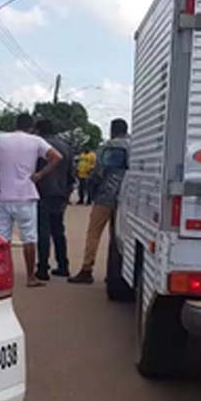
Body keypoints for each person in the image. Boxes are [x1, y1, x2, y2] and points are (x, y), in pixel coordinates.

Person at [0, 113, 63, 288]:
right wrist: (39, 174)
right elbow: (57, 157)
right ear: (31, 127)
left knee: (3, 239)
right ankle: (30, 277)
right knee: (29, 238)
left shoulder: (0, 140)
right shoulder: (36, 141)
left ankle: (2, 276)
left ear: (14, 124)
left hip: (4, 196)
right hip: (26, 195)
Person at [69, 119, 130, 284]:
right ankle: (116, 273)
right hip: (126, 198)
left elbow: (98, 173)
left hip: (105, 197)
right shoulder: (134, 147)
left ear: (112, 130)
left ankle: (87, 269)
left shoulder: (107, 147)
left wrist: (92, 191)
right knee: (118, 236)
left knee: (94, 233)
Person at [34, 119, 75, 280]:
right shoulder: (66, 147)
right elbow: (72, 174)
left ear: (38, 130)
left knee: (43, 230)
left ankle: (43, 268)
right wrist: (67, 193)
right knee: (58, 230)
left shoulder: (39, 145)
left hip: (42, 191)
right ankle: (63, 265)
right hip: (60, 193)